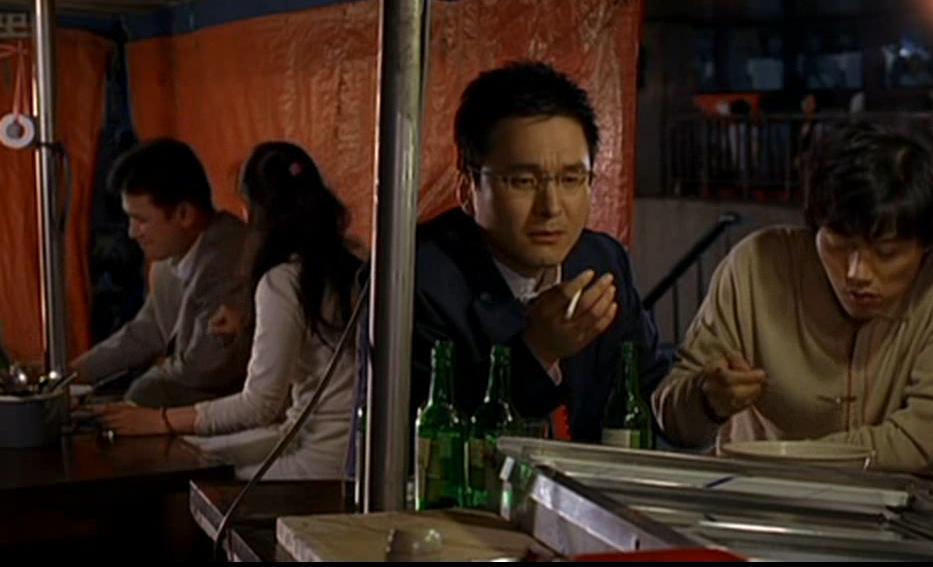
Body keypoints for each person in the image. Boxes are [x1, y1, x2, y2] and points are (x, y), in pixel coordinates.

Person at [652, 117, 933, 476]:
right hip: (756, 500)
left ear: (926, 246)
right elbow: (672, 421)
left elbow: (927, 443)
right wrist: (706, 399)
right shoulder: (756, 266)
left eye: (886, 252)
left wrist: (779, 458)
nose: (856, 273)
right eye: (838, 244)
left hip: (886, 505)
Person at [389, 60, 670, 443]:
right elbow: (425, 441)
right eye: (523, 181)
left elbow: (647, 395)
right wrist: (537, 350)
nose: (551, 207)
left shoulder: (601, 261)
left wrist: (701, 405)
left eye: (571, 179)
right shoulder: (414, 279)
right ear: (468, 187)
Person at [96, 141, 364, 480]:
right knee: (195, 453)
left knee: (190, 483)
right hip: (322, 440)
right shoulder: (352, 261)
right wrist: (247, 324)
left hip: (322, 457)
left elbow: (260, 405)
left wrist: (160, 421)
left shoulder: (281, 280)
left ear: (257, 214)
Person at [71, 138, 253, 408]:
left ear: (184, 214)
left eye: (142, 220)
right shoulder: (168, 261)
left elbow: (205, 369)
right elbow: (146, 331)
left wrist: (151, 382)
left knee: (147, 393)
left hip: (234, 409)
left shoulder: (231, 257)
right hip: (193, 401)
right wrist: (71, 374)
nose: (132, 233)